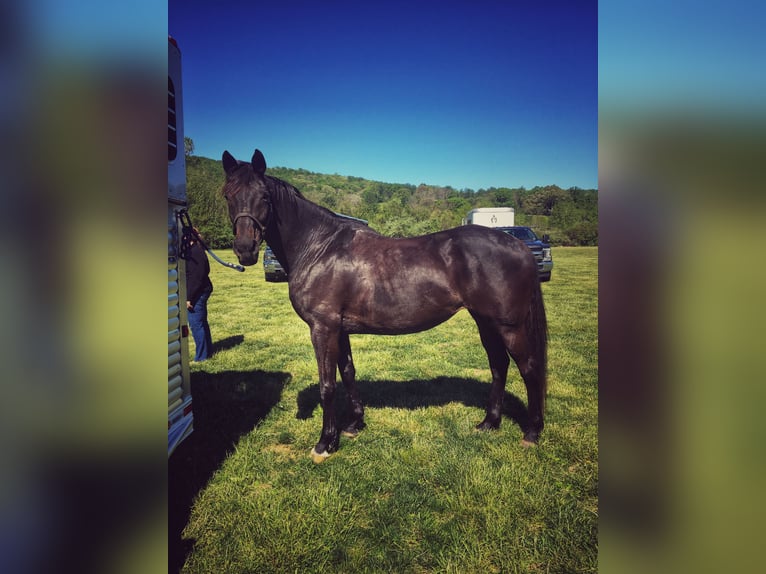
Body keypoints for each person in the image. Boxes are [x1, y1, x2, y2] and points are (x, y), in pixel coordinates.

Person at [185, 228, 213, 362]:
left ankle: (201, 357)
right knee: (201, 322)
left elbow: (196, 277)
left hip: (198, 292)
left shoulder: (194, 252)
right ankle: (208, 351)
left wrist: (189, 297)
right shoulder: (197, 250)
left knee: (196, 323)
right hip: (202, 290)